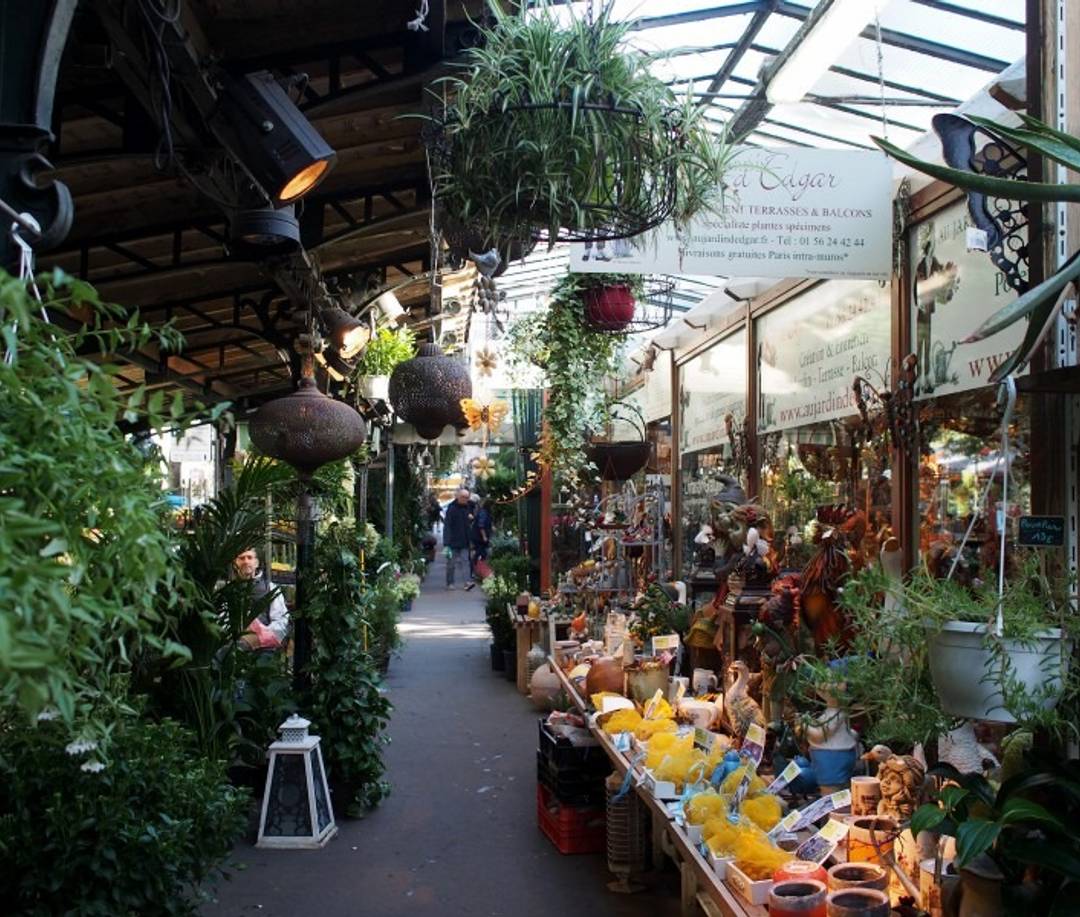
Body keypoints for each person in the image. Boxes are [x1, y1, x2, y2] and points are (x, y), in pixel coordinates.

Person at [234, 547, 289, 650]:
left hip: (263, 649)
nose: (246, 561)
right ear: (235, 563)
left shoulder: (270, 588)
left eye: (249, 557)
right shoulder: (229, 589)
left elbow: (281, 620)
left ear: (256, 563)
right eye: (241, 558)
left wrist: (262, 636)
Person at [442, 488, 474, 590]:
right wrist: (446, 542)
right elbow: (447, 526)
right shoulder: (451, 509)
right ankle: (450, 583)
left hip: (464, 541)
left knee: (466, 562)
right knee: (451, 564)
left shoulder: (468, 507)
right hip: (452, 542)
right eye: (464, 497)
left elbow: (470, 524)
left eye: (467, 497)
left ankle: (467, 582)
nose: (466, 499)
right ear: (458, 497)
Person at [466, 495, 493, 591]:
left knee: (480, 553)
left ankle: (476, 571)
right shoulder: (484, 513)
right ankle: (475, 571)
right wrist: (484, 536)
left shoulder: (483, 512)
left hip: (477, 536)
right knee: (481, 553)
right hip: (479, 538)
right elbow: (481, 525)